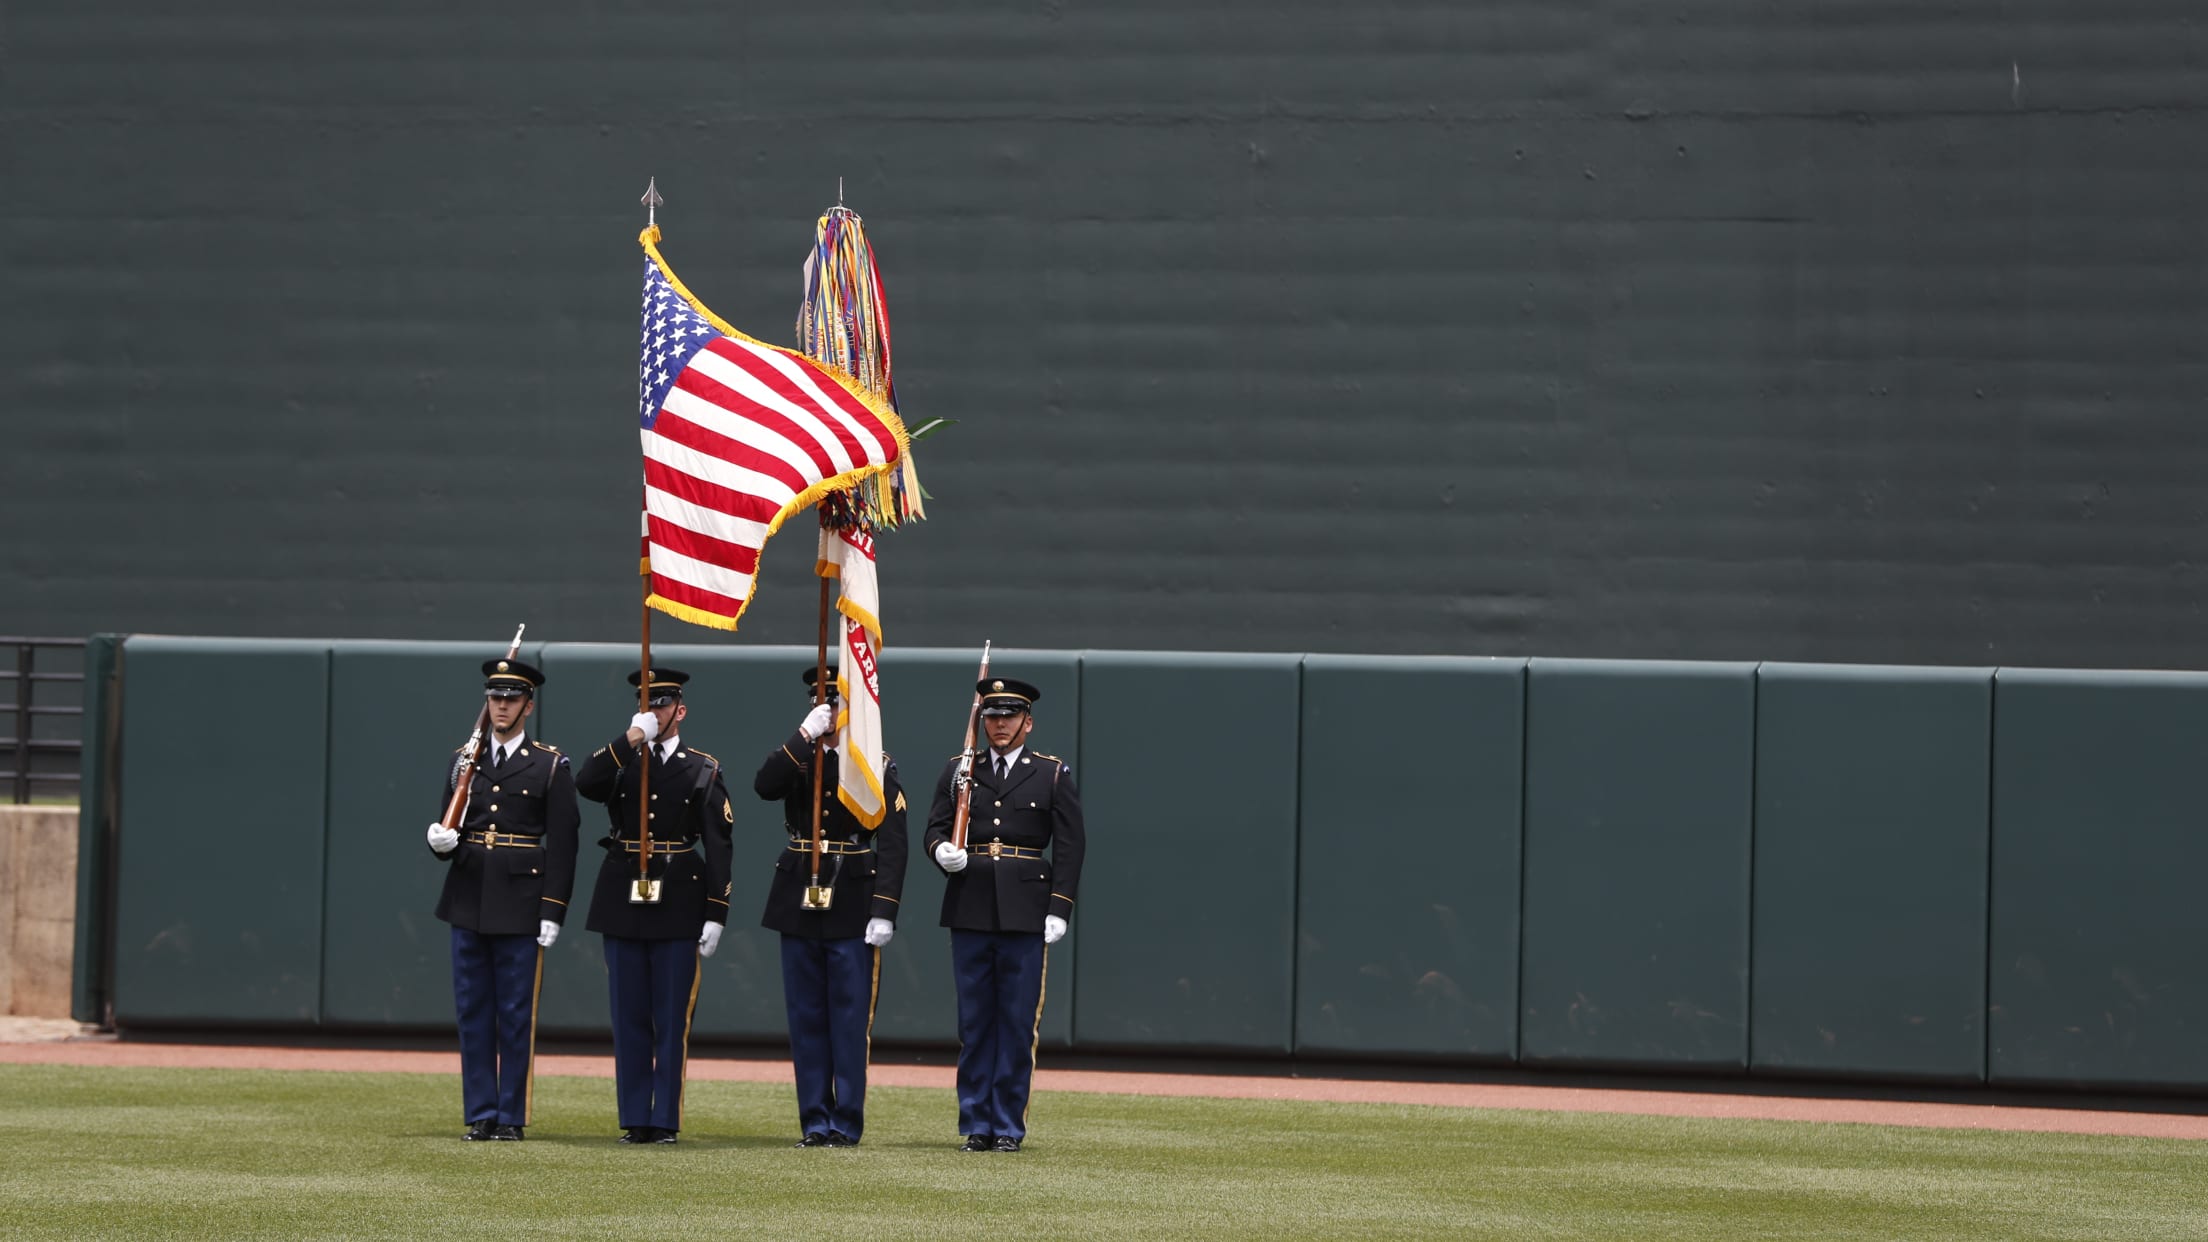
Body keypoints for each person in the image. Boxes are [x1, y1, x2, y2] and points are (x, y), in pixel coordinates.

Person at [923, 675, 1085, 1153]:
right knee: (975, 1022)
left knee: (1016, 1022)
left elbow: (1072, 845)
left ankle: (1008, 1125)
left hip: (1026, 909)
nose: (999, 724)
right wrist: (942, 851)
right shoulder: (960, 769)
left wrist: (1060, 907)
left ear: (1027, 723)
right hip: (970, 901)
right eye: (992, 716)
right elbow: (933, 826)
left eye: (1009, 716)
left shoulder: (1051, 773)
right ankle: (976, 1122)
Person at [575, 666, 735, 1145]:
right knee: (628, 1016)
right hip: (624, 894)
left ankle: (663, 1118)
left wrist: (716, 910)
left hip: (679, 897)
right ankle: (633, 1117)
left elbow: (720, 844)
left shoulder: (702, 766)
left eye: (662, 705)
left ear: (680, 710)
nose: (654, 712)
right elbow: (586, 782)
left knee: (669, 1016)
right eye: (647, 704)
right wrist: (630, 737)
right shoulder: (623, 757)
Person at [752, 667, 909, 1148]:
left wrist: (884, 908)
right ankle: (813, 1121)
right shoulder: (798, 755)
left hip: (853, 897)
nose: (829, 710)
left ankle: (846, 1121)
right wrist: (804, 734)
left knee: (847, 1016)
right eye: (822, 702)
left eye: (837, 702)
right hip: (799, 893)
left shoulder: (872, 764)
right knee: (805, 1016)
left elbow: (894, 842)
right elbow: (764, 785)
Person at [425, 657, 579, 1142]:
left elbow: (565, 841)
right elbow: (447, 823)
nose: (502, 706)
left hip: (521, 899)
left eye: (512, 699)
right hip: (468, 894)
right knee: (473, 1011)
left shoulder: (550, 764)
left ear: (528, 706)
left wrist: (553, 908)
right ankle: (481, 1111)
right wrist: (438, 843)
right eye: (495, 698)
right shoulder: (463, 759)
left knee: (514, 1012)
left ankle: (510, 1114)